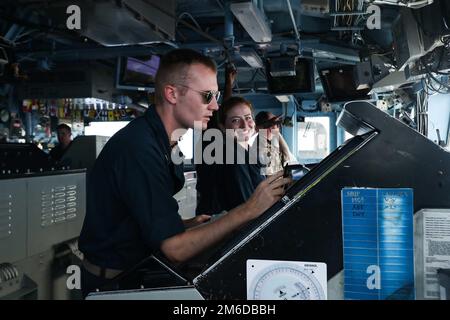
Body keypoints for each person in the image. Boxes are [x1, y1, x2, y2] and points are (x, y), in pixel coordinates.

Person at [78, 48, 290, 297]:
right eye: (207, 96)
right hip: (116, 284)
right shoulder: (139, 149)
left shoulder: (163, 141)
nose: (215, 105)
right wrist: (249, 210)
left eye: (217, 95)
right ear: (172, 94)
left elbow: (135, 217)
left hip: (137, 270)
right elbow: (174, 249)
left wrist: (182, 225)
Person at [196, 96, 266, 216]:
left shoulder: (246, 151)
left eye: (248, 118)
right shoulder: (231, 154)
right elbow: (247, 208)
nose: (245, 125)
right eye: (235, 120)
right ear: (223, 127)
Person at [255, 111, 296, 176]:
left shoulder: (270, 144)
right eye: (276, 125)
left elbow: (287, 156)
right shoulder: (261, 149)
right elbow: (271, 179)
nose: (278, 127)